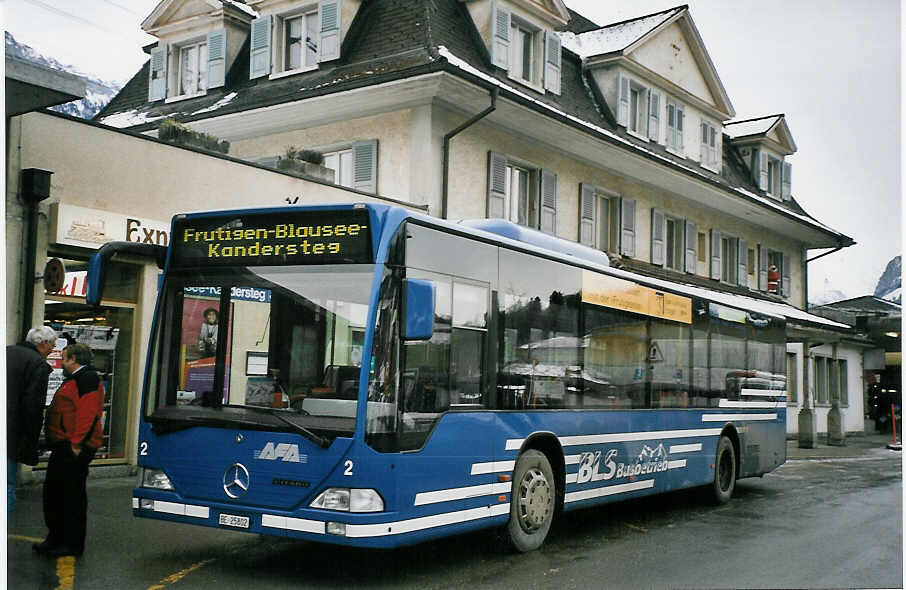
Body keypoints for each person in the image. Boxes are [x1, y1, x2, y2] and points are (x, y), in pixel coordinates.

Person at [33, 343, 104, 558]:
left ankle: (70, 543)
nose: (62, 363)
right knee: (55, 494)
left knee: (70, 497)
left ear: (73, 359)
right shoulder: (76, 379)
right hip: (64, 445)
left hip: (72, 446)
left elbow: (88, 414)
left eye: (64, 358)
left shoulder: (87, 379)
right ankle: (55, 538)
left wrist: (76, 444)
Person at [7, 326, 56, 513]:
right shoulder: (37, 364)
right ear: (43, 343)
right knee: (7, 485)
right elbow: (32, 407)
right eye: (52, 345)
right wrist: (31, 444)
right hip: (11, 435)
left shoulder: (6, 352)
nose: (53, 349)